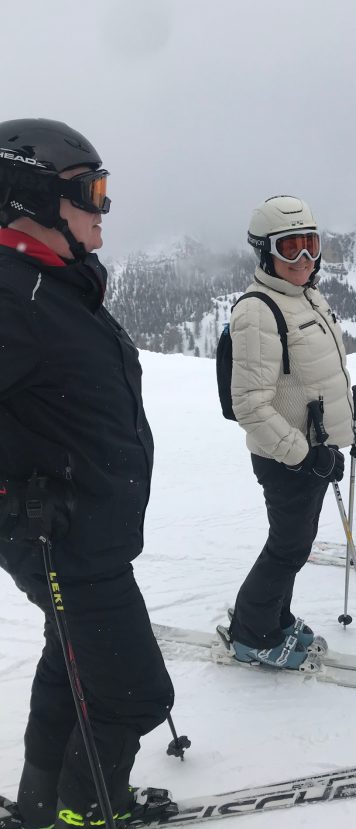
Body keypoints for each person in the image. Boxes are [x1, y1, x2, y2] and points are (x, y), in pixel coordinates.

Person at [0, 119, 174, 829]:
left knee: (69, 661)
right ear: (32, 196)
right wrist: (12, 496)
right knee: (135, 692)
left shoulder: (53, 285)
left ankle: (43, 806)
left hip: (87, 528)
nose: (104, 208)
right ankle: (87, 809)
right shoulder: (13, 298)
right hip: (62, 536)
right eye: (90, 191)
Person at [227, 196, 356, 669]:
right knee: (288, 548)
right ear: (265, 252)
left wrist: (350, 425)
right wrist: (303, 454)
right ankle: (252, 634)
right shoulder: (258, 311)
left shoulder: (308, 296)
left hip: (312, 452)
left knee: (295, 544)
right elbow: (250, 405)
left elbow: (323, 377)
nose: (304, 259)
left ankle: (275, 618)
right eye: (290, 248)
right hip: (285, 456)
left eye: (311, 245)